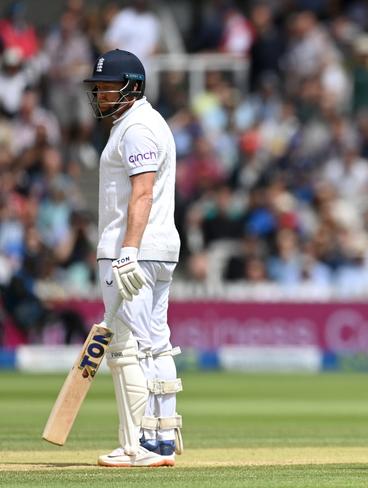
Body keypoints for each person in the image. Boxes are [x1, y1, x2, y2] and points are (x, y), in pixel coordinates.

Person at [83, 49, 183, 467]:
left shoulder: (138, 128)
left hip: (133, 251)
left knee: (132, 348)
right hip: (155, 250)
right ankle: (162, 436)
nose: (102, 94)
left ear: (133, 87)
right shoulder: (142, 123)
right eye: (99, 87)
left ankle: (141, 443)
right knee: (155, 344)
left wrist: (127, 253)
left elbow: (142, 193)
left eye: (109, 86)